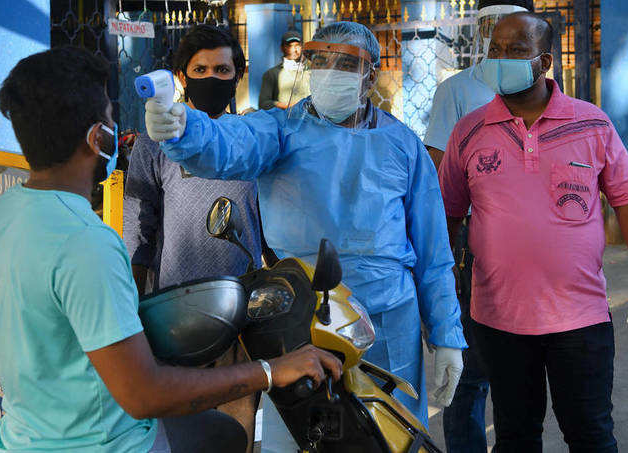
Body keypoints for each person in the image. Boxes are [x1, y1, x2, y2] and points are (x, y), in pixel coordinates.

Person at [0, 46, 342, 453]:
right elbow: (145, 395)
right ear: (96, 138)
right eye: (108, 116)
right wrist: (270, 370)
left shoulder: (3, 213)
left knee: (222, 433)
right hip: (106, 444)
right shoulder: (85, 242)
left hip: (22, 436)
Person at [144, 20, 467, 429]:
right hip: (300, 318)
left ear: (371, 73)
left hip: (387, 321)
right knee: (302, 433)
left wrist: (447, 335)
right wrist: (183, 129)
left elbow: (434, 252)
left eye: (346, 64)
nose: (331, 72)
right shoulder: (280, 131)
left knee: (390, 433)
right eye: (321, 61)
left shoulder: (402, 144)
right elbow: (228, 143)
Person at [439, 12, 628, 452]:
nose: (500, 59)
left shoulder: (592, 124)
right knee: (516, 436)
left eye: (515, 51)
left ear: (544, 62)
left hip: (579, 318)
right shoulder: (469, 132)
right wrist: (443, 292)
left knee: (591, 434)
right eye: (495, 50)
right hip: (498, 318)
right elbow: (447, 214)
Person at [123, 25, 262, 452]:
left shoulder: (256, 139)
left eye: (223, 69)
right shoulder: (153, 143)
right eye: (200, 69)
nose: (212, 78)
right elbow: (139, 232)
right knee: (179, 438)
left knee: (235, 436)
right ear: (182, 77)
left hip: (245, 315)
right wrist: (133, 313)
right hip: (174, 316)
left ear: (239, 74)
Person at [423, 1, 532, 452]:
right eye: (493, 29)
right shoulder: (458, 91)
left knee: (518, 361)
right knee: (470, 364)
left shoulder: (539, 89)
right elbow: (438, 168)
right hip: (471, 240)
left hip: (524, 245)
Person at [258, 29, 310, 110]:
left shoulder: (310, 72)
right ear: (282, 48)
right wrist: (287, 106)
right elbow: (263, 103)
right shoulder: (272, 74)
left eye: (297, 45)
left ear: (302, 47)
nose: (294, 50)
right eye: (289, 46)